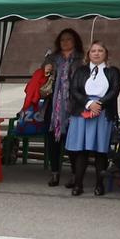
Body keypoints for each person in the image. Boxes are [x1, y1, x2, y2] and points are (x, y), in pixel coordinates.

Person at [63, 42, 120, 197]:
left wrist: (99, 104)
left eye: (100, 51)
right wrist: (88, 103)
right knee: (81, 150)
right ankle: (78, 184)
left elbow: (114, 91)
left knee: (100, 151)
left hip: (103, 113)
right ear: (88, 54)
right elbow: (74, 90)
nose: (97, 53)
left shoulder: (113, 71)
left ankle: (99, 184)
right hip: (82, 112)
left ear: (106, 53)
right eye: (93, 51)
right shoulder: (81, 71)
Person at [37, 27, 84, 188]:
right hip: (53, 105)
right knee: (53, 140)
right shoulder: (52, 58)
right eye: (62, 39)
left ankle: (74, 174)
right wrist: (46, 70)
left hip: (73, 105)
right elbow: (41, 78)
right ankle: (55, 172)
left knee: (72, 141)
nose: (65, 42)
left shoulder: (81, 58)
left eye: (69, 39)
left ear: (75, 41)